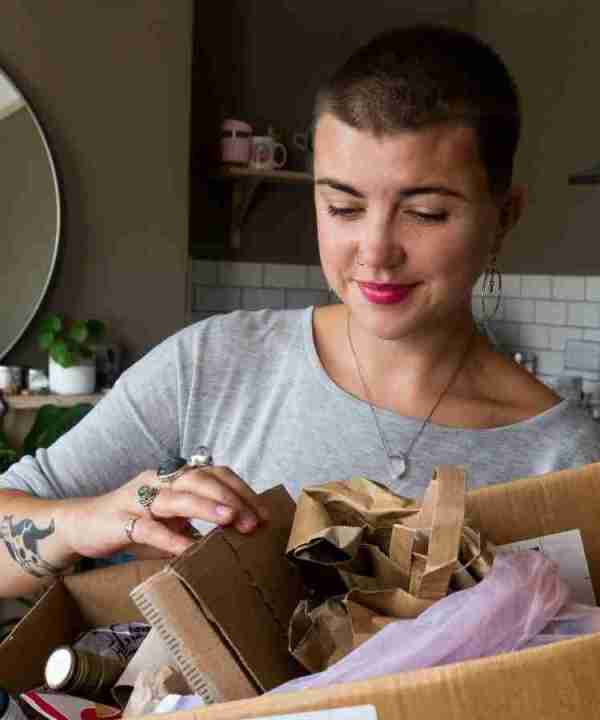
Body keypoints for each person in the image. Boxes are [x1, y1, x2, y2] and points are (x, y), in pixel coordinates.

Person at [1, 23, 599, 600]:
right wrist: (90, 521)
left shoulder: (564, 459)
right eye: (343, 208)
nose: (375, 252)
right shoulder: (216, 362)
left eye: (426, 214)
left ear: (504, 216)